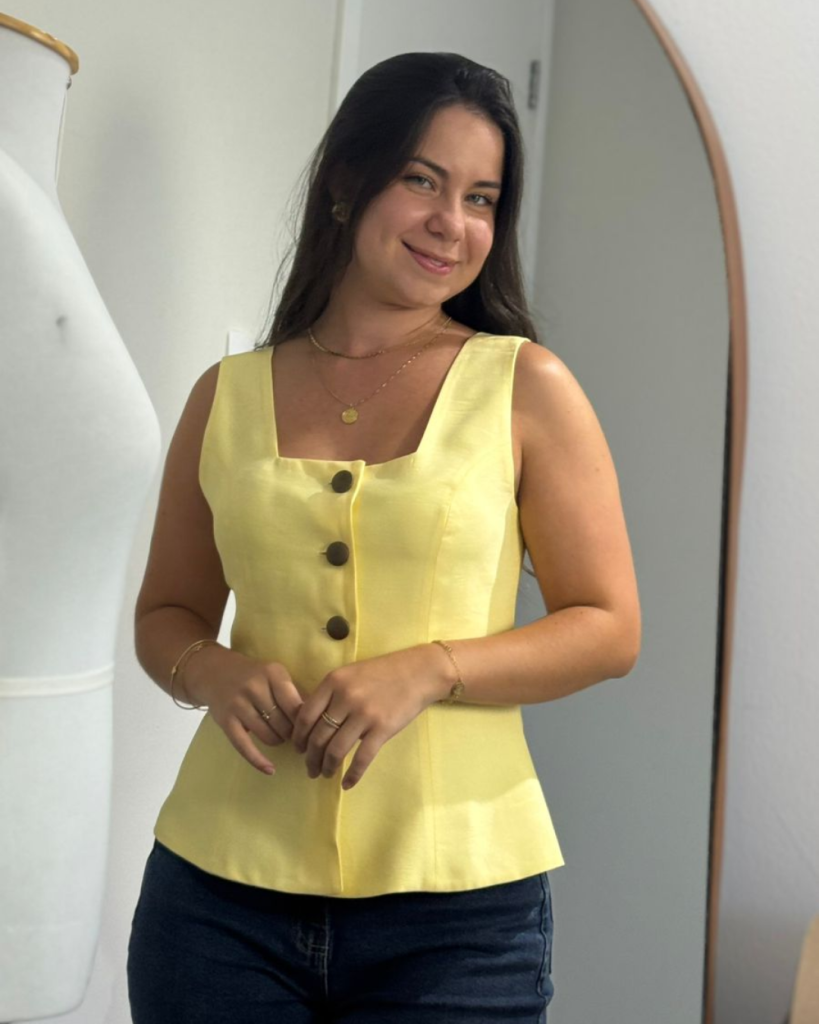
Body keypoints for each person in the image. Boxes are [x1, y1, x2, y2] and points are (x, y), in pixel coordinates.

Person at [127, 51, 641, 1023]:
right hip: (216, 902)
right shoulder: (225, 394)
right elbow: (167, 613)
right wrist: (211, 670)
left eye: (481, 198)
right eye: (422, 180)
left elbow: (609, 626)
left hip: (459, 917)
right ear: (344, 183)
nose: (453, 222)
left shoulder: (527, 386)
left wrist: (430, 669)